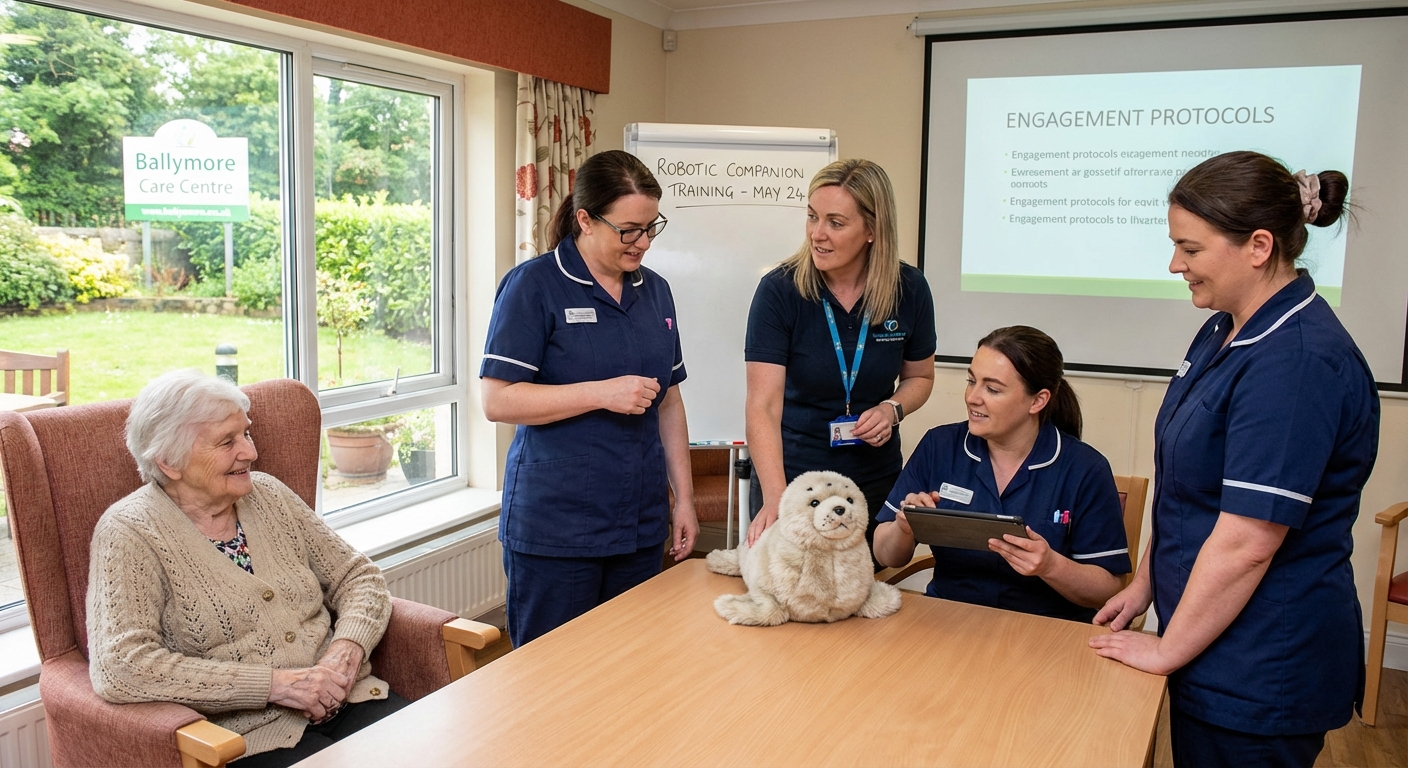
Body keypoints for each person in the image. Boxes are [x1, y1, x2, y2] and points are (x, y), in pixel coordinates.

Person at [1089, 151, 1377, 768]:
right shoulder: (1226, 328)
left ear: (1258, 245)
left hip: (1260, 664)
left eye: (1190, 249)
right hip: (1212, 637)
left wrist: (1167, 649)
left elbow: (1249, 537)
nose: (1176, 265)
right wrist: (1146, 582)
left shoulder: (1296, 362)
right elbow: (1186, 486)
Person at [87, 370, 402, 768]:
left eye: (246, 434)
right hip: (250, 739)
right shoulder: (130, 532)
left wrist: (343, 657)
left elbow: (358, 577)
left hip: (350, 698)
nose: (250, 452)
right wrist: (277, 686)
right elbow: (123, 665)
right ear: (169, 461)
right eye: (227, 442)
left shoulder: (268, 493)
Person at [480, 150, 697, 647]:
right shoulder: (533, 286)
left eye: (650, 227)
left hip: (638, 523)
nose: (642, 242)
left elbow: (669, 403)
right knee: (552, 680)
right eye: (628, 230)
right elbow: (498, 401)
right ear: (585, 218)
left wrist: (682, 499)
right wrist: (601, 393)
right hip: (558, 527)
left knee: (631, 670)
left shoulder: (656, 292)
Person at [744, 159, 936, 560]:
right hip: (794, 478)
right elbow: (762, 404)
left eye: (835, 222)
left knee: (864, 601)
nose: (817, 234)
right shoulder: (780, 291)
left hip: (871, 480)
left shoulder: (909, 289)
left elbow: (921, 377)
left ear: (872, 229)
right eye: (812, 217)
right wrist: (779, 498)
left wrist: (891, 410)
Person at [873, 326, 1130, 621]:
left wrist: (1050, 566)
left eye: (992, 389)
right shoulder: (940, 446)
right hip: (948, 622)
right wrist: (904, 529)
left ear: (1038, 401)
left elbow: (1108, 589)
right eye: (971, 381)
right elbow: (885, 554)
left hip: (1048, 632)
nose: (972, 397)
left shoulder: (1085, 468)